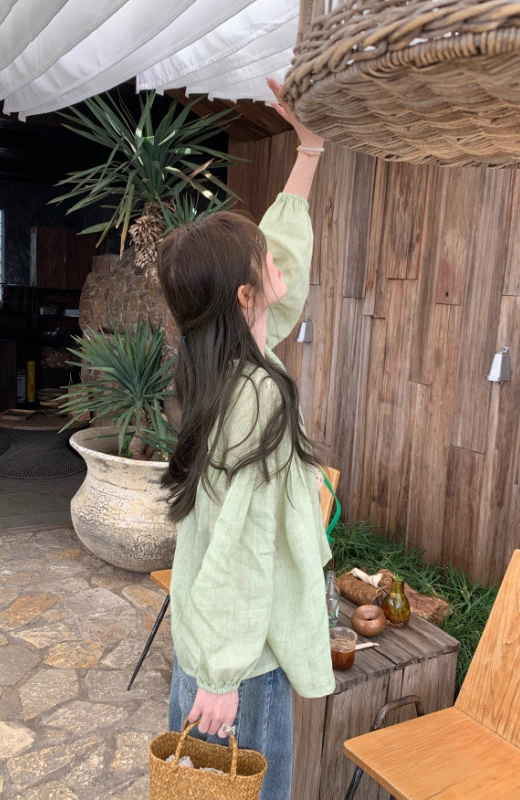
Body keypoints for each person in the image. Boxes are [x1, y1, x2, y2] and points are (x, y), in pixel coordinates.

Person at [156, 78, 333, 800]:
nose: (278, 262)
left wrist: (309, 149)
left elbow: (281, 258)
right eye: (264, 261)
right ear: (244, 297)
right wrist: (223, 674)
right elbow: (242, 541)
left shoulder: (223, 363)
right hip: (241, 661)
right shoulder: (257, 391)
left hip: (213, 643)